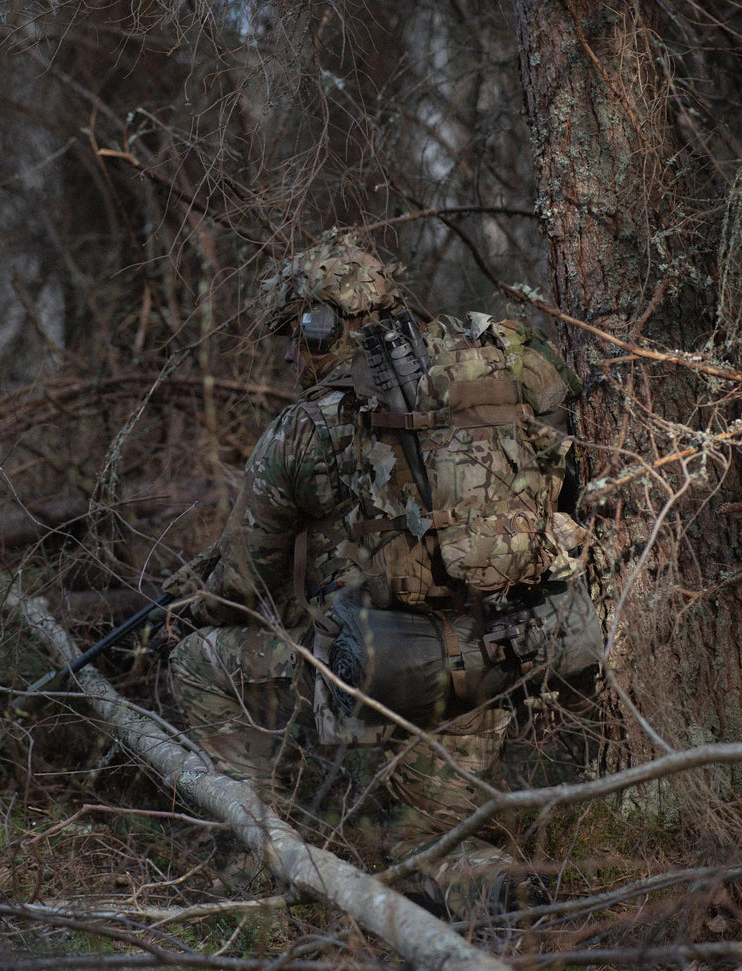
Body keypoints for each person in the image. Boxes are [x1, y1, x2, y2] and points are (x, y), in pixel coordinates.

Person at [162, 231, 602, 922]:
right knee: (424, 838)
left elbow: (247, 585)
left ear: (322, 326)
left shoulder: (303, 430)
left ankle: (252, 862)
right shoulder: (494, 375)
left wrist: (194, 605)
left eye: (296, 336)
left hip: (375, 681)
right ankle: (493, 888)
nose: (288, 356)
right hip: (495, 668)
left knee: (196, 660)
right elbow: (566, 478)